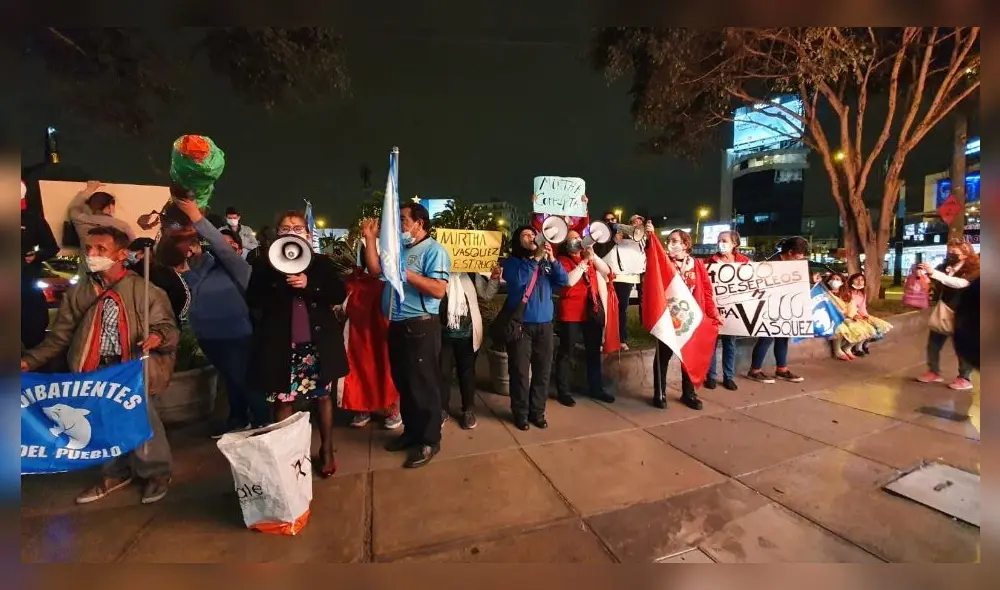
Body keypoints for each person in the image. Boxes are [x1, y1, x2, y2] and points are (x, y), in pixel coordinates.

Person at [21, 226, 178, 505]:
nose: (91, 254)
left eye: (101, 249)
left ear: (122, 255)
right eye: (89, 248)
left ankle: (156, 472)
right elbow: (60, 337)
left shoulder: (144, 291)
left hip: (130, 370)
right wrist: (28, 361)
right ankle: (114, 473)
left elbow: (168, 328)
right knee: (101, 423)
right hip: (94, 371)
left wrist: (157, 337)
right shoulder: (80, 292)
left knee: (142, 421)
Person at [247, 210, 348, 477]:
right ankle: (287, 456)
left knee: (322, 397)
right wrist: (280, 284)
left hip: (315, 345)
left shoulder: (321, 263)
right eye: (285, 228)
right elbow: (253, 299)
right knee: (283, 400)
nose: (292, 232)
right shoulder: (264, 264)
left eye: (297, 228)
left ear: (307, 233)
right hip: (282, 345)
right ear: (277, 234)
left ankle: (326, 449)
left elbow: (337, 293)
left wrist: (308, 284)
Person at [361, 203, 451, 468]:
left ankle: (430, 440)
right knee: (404, 383)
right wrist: (370, 239)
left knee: (423, 386)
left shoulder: (434, 250)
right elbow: (375, 270)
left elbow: (438, 290)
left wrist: (405, 273)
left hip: (420, 326)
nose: (397, 225)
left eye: (402, 219)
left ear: (419, 223)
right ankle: (412, 433)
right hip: (398, 325)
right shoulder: (399, 250)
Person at [173, 197, 270, 435]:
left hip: (235, 336)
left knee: (244, 381)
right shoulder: (205, 268)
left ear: (238, 249)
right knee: (231, 381)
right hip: (209, 336)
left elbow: (221, 248)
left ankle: (263, 423)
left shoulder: (241, 268)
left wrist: (197, 217)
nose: (222, 247)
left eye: (229, 244)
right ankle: (238, 420)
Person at [499, 225, 569, 430]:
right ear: (518, 241)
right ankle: (520, 413)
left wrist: (552, 259)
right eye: (525, 235)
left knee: (543, 372)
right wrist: (535, 259)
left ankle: (537, 412)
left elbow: (563, 280)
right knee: (520, 373)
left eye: (532, 234)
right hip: (521, 326)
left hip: (545, 325)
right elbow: (518, 281)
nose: (530, 237)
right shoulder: (512, 263)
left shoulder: (547, 262)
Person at [651, 229, 720, 410]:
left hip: (690, 319)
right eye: (669, 241)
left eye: (675, 241)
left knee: (690, 356)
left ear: (685, 244)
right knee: (662, 357)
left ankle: (689, 394)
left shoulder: (697, 264)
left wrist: (713, 312)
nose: (670, 244)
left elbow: (706, 290)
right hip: (668, 319)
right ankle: (660, 393)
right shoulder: (664, 263)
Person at [554, 230, 615, 406]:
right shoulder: (562, 261)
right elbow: (568, 282)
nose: (577, 241)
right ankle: (563, 391)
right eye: (572, 239)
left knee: (593, 352)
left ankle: (596, 388)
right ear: (565, 244)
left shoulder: (588, 256)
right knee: (567, 352)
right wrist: (583, 262)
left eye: (579, 238)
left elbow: (607, 271)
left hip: (591, 311)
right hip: (571, 312)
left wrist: (592, 256)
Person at [440, 265, 502, 429]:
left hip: (467, 335)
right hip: (443, 334)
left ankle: (468, 410)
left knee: (467, 374)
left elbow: (487, 294)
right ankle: (442, 409)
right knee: (442, 373)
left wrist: (494, 278)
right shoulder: (438, 270)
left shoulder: (472, 272)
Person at [916, 238, 979, 390]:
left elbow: (960, 283)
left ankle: (964, 378)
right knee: (934, 343)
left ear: (966, 253)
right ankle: (933, 371)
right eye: (949, 251)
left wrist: (935, 274)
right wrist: (924, 274)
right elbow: (937, 281)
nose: (950, 254)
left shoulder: (975, 269)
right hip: (944, 309)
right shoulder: (945, 266)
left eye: (954, 252)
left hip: (964, 312)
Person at [746, 236, 809, 384]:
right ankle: (754, 371)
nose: (800, 260)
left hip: (785, 306)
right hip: (769, 307)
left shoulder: (792, 265)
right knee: (766, 338)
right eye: (798, 256)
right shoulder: (771, 264)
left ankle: (782, 369)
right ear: (790, 252)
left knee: (783, 338)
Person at [704, 230, 748, 390]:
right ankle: (711, 376)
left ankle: (728, 377)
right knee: (711, 344)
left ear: (734, 243)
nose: (720, 243)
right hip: (713, 310)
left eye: (724, 240)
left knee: (730, 344)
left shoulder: (744, 262)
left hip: (734, 311)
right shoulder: (709, 262)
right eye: (719, 240)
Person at [603, 214, 648, 351]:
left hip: (627, 277)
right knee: (606, 308)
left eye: (613, 220)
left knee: (622, 308)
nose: (610, 222)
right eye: (607, 220)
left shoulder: (641, 238)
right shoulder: (607, 236)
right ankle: (605, 338)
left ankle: (621, 338)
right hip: (610, 276)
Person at [67, 181, 136, 271]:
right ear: (111, 207)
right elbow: (134, 248)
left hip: (86, 268)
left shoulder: (79, 219)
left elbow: (74, 207)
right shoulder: (122, 225)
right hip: (112, 270)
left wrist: (89, 189)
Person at [21, 195, 59, 350]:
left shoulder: (32, 218)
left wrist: (36, 256)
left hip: (25, 280)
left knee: (33, 326)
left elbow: (52, 247)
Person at [126, 237, 191, 326]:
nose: (131, 256)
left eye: (137, 254)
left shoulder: (162, 273)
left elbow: (180, 297)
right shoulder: (136, 269)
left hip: (166, 318)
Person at [821, 273, 876, 361]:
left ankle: (848, 348)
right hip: (831, 317)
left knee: (863, 328)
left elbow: (851, 308)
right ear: (828, 281)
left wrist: (853, 315)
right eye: (833, 279)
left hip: (846, 317)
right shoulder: (824, 294)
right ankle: (837, 350)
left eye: (837, 279)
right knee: (840, 327)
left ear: (842, 282)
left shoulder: (846, 294)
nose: (834, 281)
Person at [842, 272, 893, 356]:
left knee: (876, 328)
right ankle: (855, 348)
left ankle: (863, 345)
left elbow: (862, 307)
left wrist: (865, 315)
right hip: (849, 316)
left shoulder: (862, 294)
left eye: (862, 280)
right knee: (864, 329)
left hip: (860, 315)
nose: (859, 282)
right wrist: (854, 315)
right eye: (857, 279)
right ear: (851, 281)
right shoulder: (847, 293)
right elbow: (845, 307)